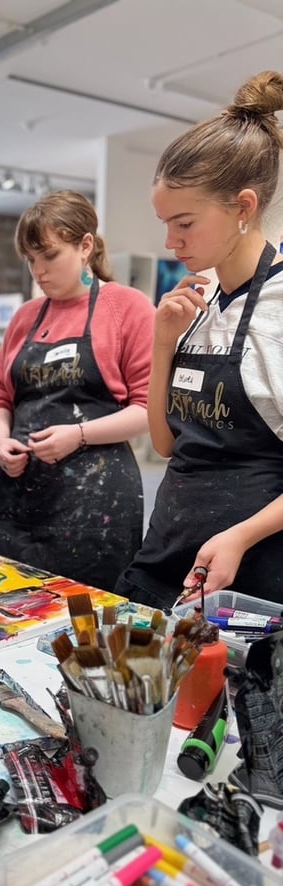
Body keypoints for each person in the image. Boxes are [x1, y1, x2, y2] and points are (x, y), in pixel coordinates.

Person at [116, 70, 283, 609]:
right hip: (169, 550)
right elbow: (166, 446)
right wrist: (163, 343)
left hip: (251, 571)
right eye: (165, 223)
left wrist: (240, 536)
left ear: (243, 207)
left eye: (184, 223)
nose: (171, 241)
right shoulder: (198, 300)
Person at [0, 191, 155, 592]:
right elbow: (0, 398)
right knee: (8, 606)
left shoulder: (127, 308)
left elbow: (149, 409)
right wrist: (1, 439)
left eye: (49, 256)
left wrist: (78, 435)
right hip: (18, 500)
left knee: (86, 617)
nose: (38, 271)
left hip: (95, 507)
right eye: (31, 260)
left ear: (85, 246)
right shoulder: (25, 317)